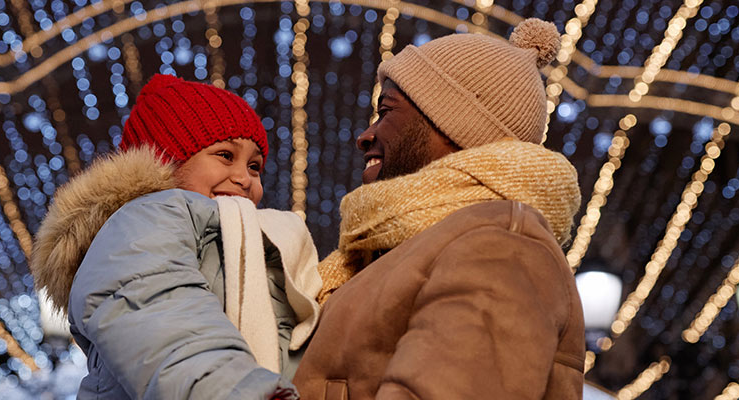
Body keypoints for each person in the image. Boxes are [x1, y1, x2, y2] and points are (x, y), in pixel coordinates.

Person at [292, 19, 586, 399]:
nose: (366, 136)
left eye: (386, 112)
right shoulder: (407, 253)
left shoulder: (500, 245)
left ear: (452, 124)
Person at [30, 74, 322, 399]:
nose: (244, 178)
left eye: (255, 166)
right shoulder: (143, 220)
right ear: (168, 160)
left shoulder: (246, 242)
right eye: (226, 155)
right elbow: (161, 318)